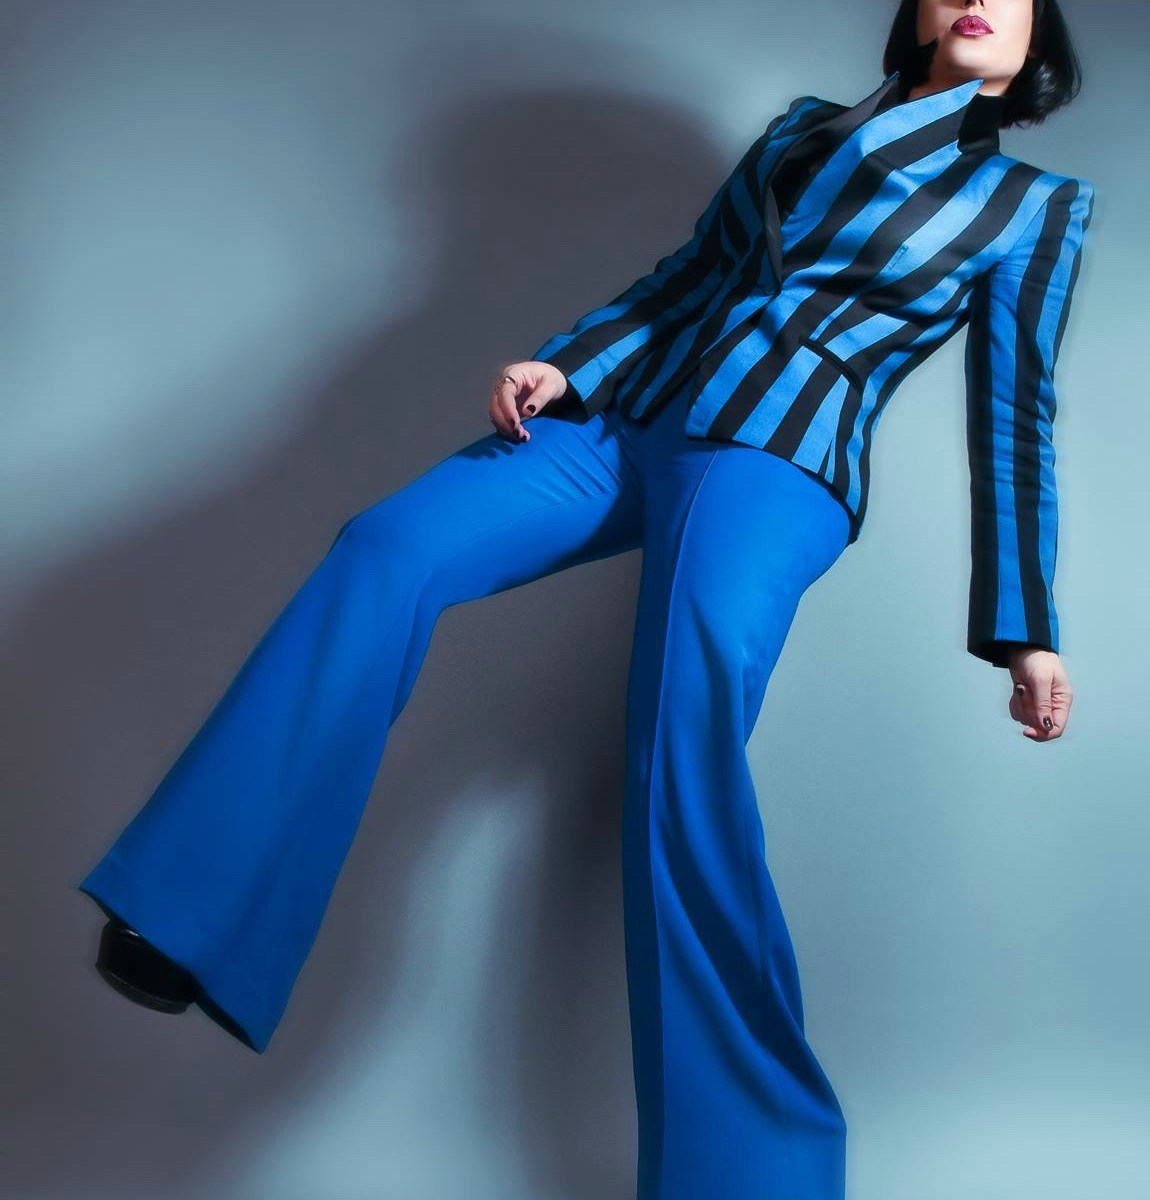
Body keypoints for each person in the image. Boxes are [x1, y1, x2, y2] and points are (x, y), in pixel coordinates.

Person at [75, 3, 1096, 1197]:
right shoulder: (803, 130)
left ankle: (757, 1178)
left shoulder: (1030, 207)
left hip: (776, 463)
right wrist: (570, 362)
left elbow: (1014, 421)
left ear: (1038, 46)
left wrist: (1026, 633)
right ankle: (195, 915)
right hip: (631, 422)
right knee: (389, 548)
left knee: (681, 752)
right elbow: (692, 277)